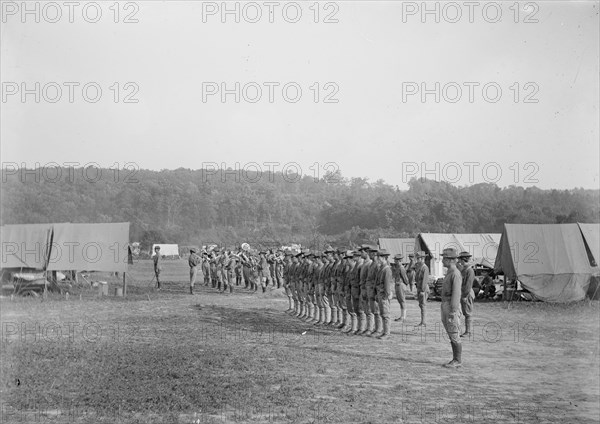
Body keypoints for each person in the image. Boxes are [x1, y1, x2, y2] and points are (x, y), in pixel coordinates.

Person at [440, 248, 463, 368]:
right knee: (451, 332)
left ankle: (457, 360)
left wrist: (453, 311)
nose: (442, 260)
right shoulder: (450, 272)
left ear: (451, 260)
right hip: (446, 304)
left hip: (450, 305)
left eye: (444, 258)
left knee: (454, 331)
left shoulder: (455, 273)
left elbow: (456, 293)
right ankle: (455, 359)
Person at [374, 249, 394, 340]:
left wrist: (386, 295)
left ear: (384, 258)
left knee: (386, 314)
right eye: (378, 257)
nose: (378, 259)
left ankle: (387, 333)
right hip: (380, 293)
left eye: (380, 257)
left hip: (383, 294)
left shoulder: (386, 269)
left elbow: (387, 284)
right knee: (382, 313)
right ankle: (384, 331)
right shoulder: (381, 268)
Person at [458, 251, 475, 338]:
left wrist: (464, 296)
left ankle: (468, 332)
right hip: (464, 293)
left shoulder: (469, 270)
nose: (459, 261)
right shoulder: (465, 269)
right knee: (465, 313)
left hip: (467, 294)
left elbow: (468, 285)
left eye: (460, 259)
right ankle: (467, 331)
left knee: (468, 313)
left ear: (463, 260)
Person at [392, 254, 409, 321]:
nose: (394, 261)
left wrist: (406, 284)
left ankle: (403, 316)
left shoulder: (401, 268)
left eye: (396, 260)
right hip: (397, 284)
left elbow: (405, 278)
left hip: (400, 285)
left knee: (402, 300)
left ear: (399, 260)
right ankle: (402, 315)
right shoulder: (397, 267)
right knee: (400, 300)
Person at [414, 251, 430, 326]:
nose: (417, 260)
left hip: (423, 288)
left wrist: (422, 290)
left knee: (423, 305)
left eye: (418, 258)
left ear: (422, 258)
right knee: (421, 304)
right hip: (419, 287)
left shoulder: (425, 268)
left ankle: (424, 322)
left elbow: (425, 280)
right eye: (417, 258)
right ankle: (422, 321)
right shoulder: (419, 267)